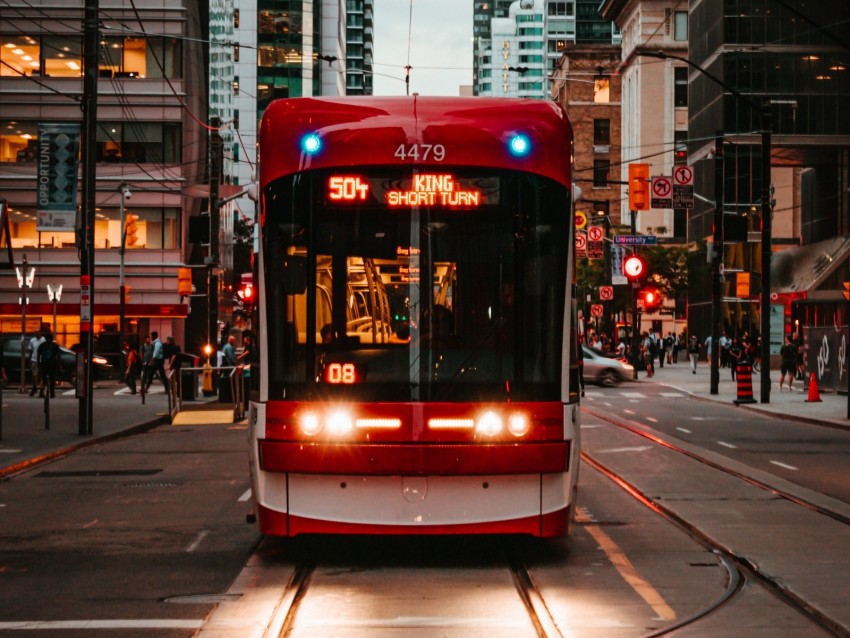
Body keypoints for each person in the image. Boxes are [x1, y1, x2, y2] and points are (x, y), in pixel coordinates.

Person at [36, 332, 60, 398]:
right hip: (52, 364)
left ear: (45, 338)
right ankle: (52, 393)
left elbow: (38, 355)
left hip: (44, 364)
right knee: (52, 379)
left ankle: (42, 392)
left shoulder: (42, 345)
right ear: (52, 339)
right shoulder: (55, 345)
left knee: (43, 379)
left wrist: (39, 364)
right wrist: (58, 365)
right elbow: (58, 356)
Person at [27, 327, 45, 397]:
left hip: (42, 360)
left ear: (40, 333)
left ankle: (41, 389)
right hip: (34, 359)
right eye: (36, 332)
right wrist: (30, 360)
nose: (37, 334)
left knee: (42, 375)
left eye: (38, 332)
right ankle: (35, 386)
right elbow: (30, 351)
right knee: (34, 374)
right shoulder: (32, 340)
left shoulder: (43, 340)